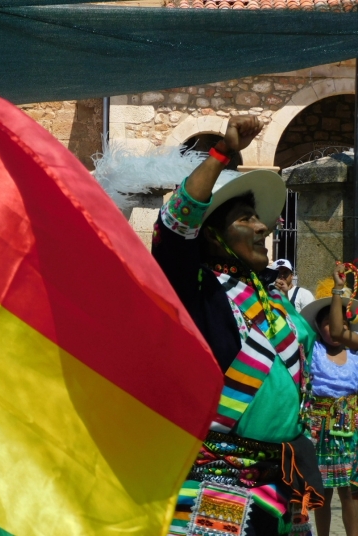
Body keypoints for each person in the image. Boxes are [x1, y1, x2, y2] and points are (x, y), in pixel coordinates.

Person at [152, 115, 324, 536]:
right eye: (246, 219)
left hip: (279, 480)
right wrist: (222, 153)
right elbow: (173, 230)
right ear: (213, 237)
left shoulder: (271, 299)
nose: (263, 226)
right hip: (218, 485)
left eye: (257, 218)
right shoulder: (200, 291)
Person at [300, 277, 358, 536]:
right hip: (319, 426)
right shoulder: (313, 351)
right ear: (318, 327)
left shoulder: (355, 352)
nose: (335, 328)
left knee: (352, 490)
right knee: (322, 488)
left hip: (352, 427)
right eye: (328, 323)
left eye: (344, 324)